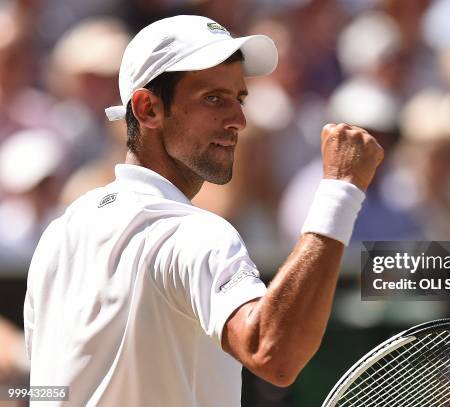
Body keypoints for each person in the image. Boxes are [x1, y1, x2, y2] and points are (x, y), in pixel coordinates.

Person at [23, 15, 383, 406]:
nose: (239, 120)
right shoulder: (197, 234)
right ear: (148, 109)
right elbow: (274, 354)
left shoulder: (61, 232)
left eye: (239, 98)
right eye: (214, 98)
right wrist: (340, 190)